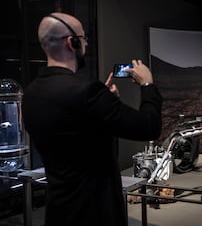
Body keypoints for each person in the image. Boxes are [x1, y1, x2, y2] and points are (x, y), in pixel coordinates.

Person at [22, 12, 163, 226]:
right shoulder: (87, 92)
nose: (86, 43)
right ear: (73, 42)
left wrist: (104, 104)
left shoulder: (31, 94)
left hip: (59, 212)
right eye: (84, 38)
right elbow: (148, 127)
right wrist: (148, 86)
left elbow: (73, 131)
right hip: (95, 214)